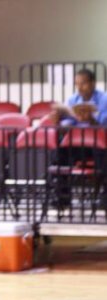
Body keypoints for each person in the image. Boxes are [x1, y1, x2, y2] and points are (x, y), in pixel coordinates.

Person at [49, 69, 107, 211]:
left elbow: (104, 126)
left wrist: (91, 120)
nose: (80, 88)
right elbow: (67, 125)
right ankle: (62, 198)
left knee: (103, 157)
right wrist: (58, 122)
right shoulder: (73, 100)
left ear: (93, 83)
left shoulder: (104, 99)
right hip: (78, 143)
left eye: (84, 83)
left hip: (100, 143)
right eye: (77, 84)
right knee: (59, 154)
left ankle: (104, 198)